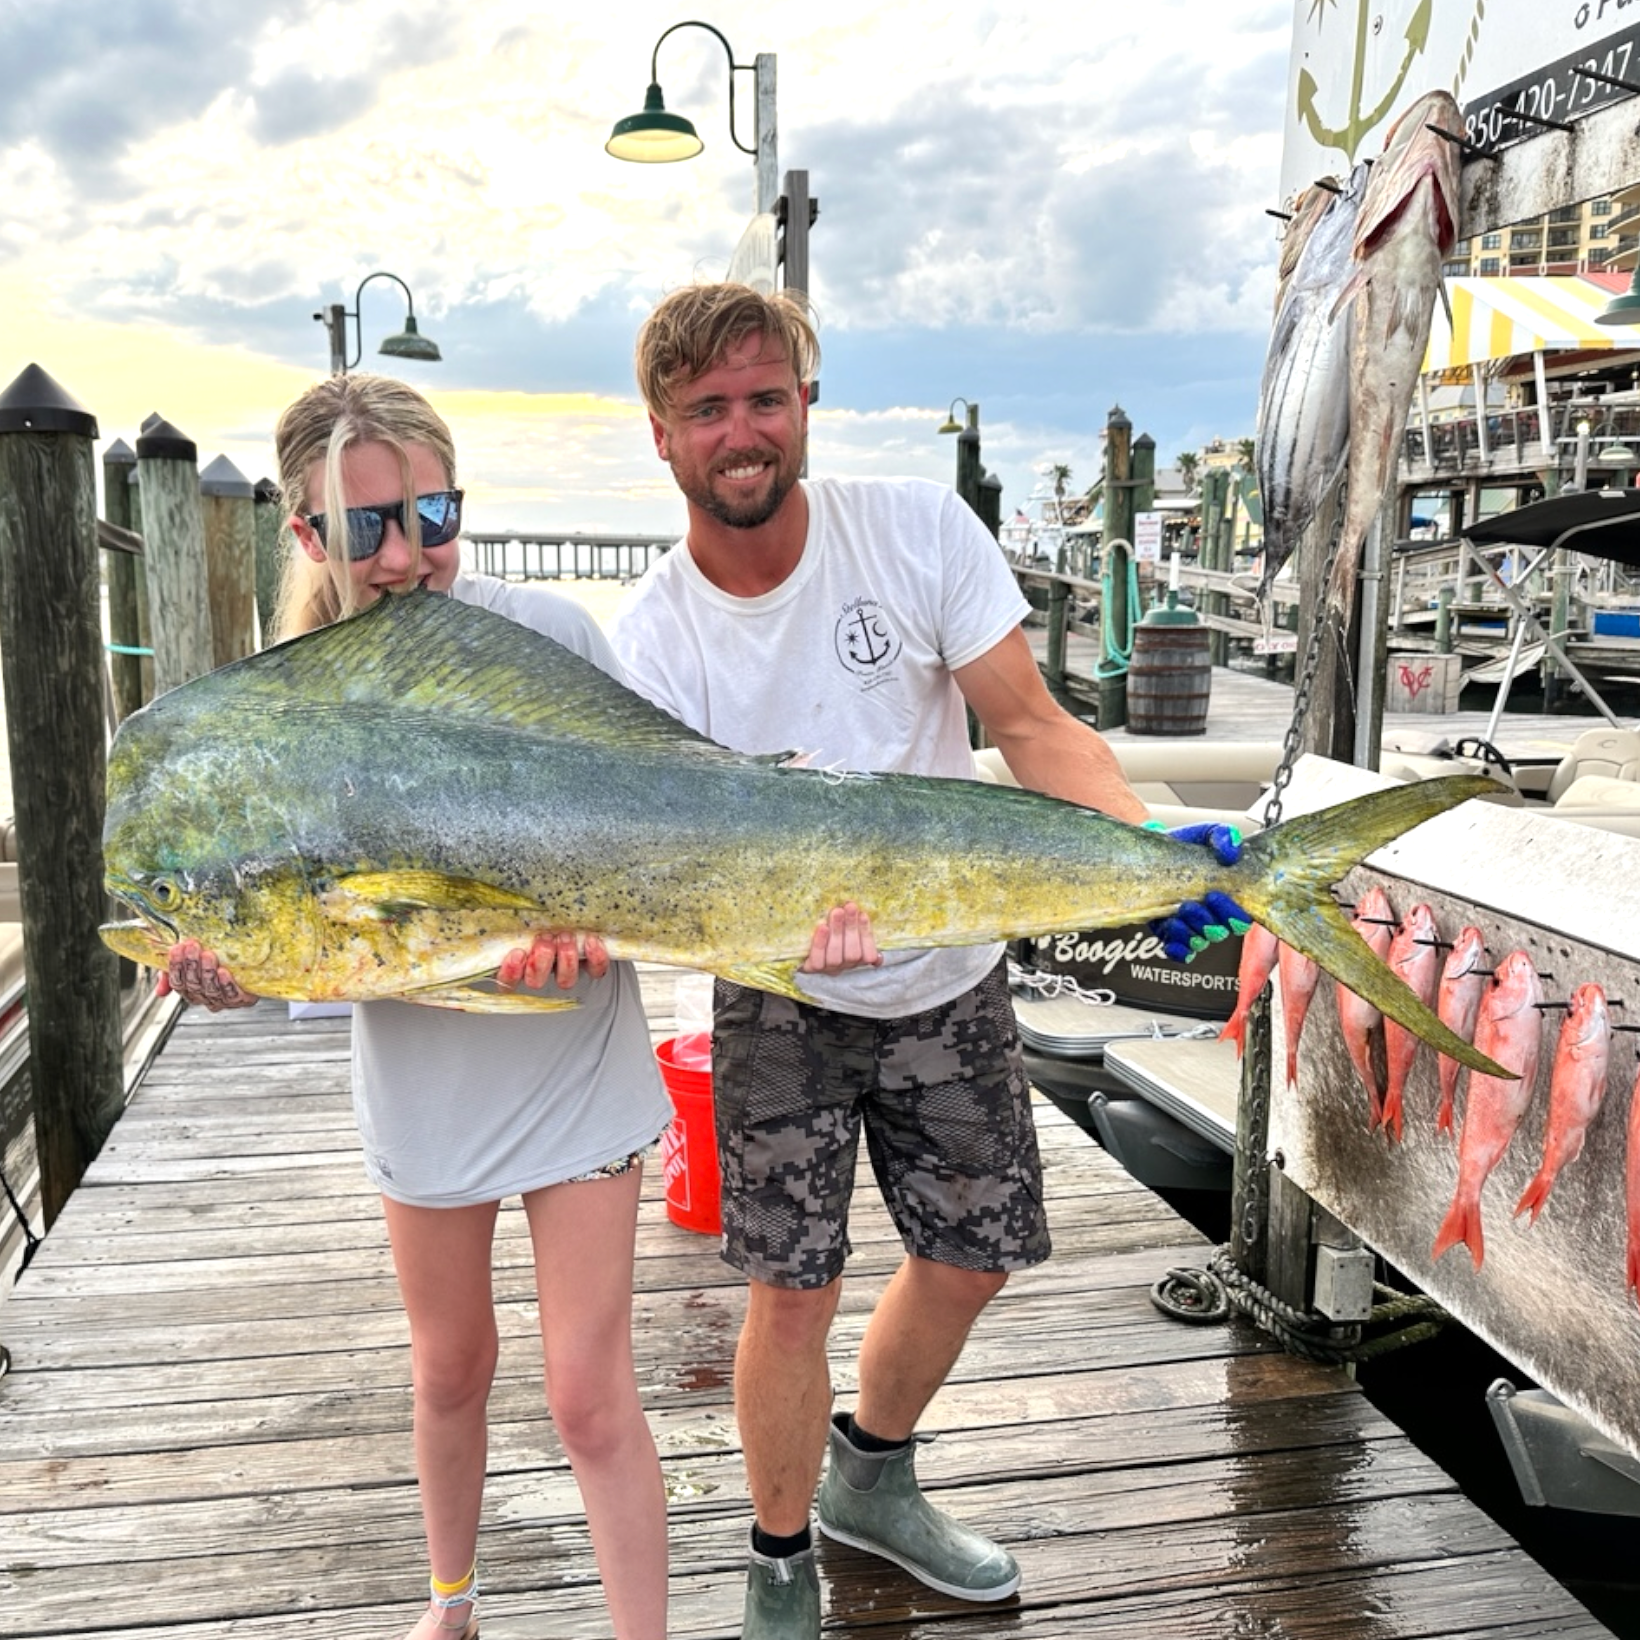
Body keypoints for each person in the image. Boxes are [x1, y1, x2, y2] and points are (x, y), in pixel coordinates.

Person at [612, 282, 1245, 1639]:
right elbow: (681, 868)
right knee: (793, 1293)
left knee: (972, 1257)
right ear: (661, 434)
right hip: (779, 988)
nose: (744, 431)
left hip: (947, 972)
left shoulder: (906, 530)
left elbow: (1027, 722)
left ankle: (870, 1482)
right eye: (709, 408)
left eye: (766, 399)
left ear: (805, 406)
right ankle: (780, 1553)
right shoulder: (652, 641)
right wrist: (783, 931)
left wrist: (1150, 859)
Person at [158, 374, 672, 1640]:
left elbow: (663, 845)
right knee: (448, 1365)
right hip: (422, 1076)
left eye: (433, 514)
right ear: (306, 538)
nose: (408, 554)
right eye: (368, 526)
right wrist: (223, 974)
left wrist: (595, 937)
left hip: (570, 1058)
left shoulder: (552, 633)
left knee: (588, 1394)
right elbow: (280, 925)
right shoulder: (279, 711)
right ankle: (450, 1602)